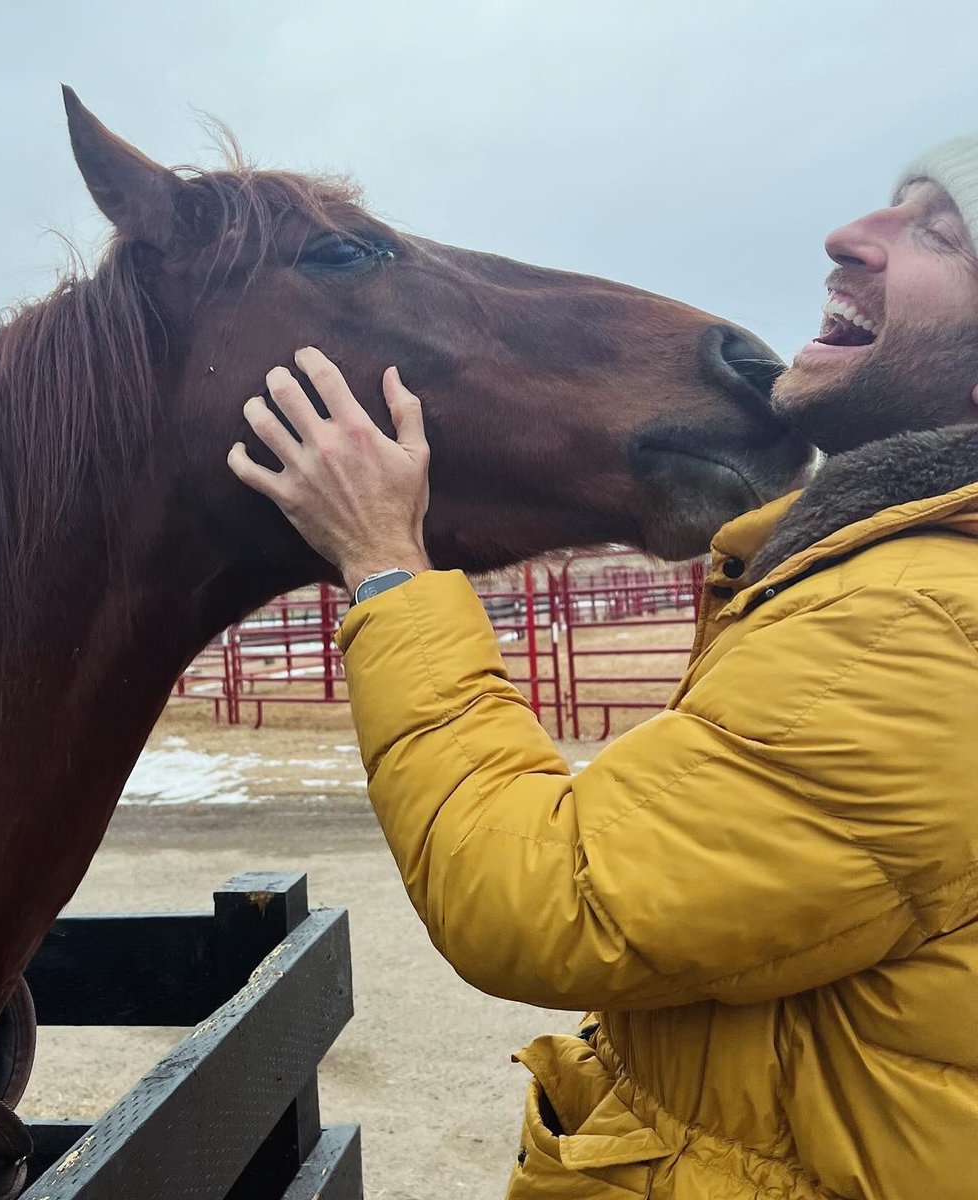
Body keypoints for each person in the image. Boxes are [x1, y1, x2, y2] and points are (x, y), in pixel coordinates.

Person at [227, 135, 978, 1199]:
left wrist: (387, 566)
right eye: (889, 207)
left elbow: (545, 897)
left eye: (938, 230)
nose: (848, 235)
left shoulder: (922, 625)